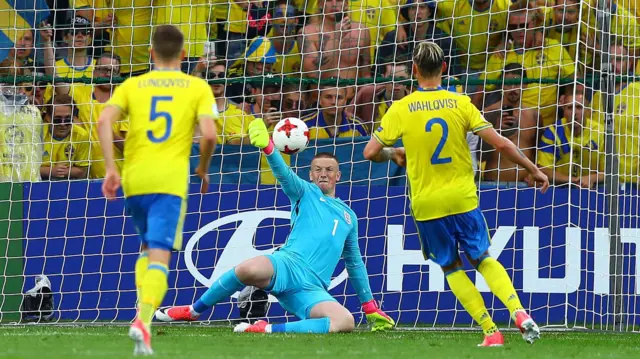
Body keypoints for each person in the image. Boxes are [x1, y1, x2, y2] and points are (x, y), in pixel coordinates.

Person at [362, 42, 548, 346]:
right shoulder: (460, 103)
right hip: (462, 197)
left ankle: (491, 331)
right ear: (444, 68)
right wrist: (533, 168)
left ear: (415, 70)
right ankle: (518, 312)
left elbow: (370, 152)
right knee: (483, 257)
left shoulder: (401, 108)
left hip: (427, 203)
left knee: (451, 266)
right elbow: (501, 144)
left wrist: (394, 151)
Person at [155, 119, 394, 334]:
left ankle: (266, 328)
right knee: (248, 268)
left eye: (329, 170)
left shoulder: (349, 216)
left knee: (345, 322)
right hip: (286, 265)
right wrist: (268, 147)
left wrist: (369, 306)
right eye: (318, 170)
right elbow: (284, 174)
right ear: (310, 175)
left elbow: (354, 262)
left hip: (312, 288)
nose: (323, 174)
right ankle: (193, 311)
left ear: (338, 176)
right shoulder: (304, 192)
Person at [96, 25, 217, 355]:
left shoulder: (133, 85)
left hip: (134, 179)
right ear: (182, 55)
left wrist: (110, 167)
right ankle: (143, 322)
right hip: (169, 181)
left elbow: (104, 121)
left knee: (147, 248)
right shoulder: (197, 87)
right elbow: (208, 134)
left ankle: (140, 313)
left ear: (151, 53)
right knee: (160, 255)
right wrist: (203, 168)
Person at [40, 94, 90, 180]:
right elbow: (27, 169)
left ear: (73, 118)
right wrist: (51, 171)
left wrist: (61, 172)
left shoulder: (82, 136)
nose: (63, 124)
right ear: (49, 118)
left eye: (67, 119)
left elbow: (83, 171)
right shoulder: (38, 134)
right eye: (58, 119)